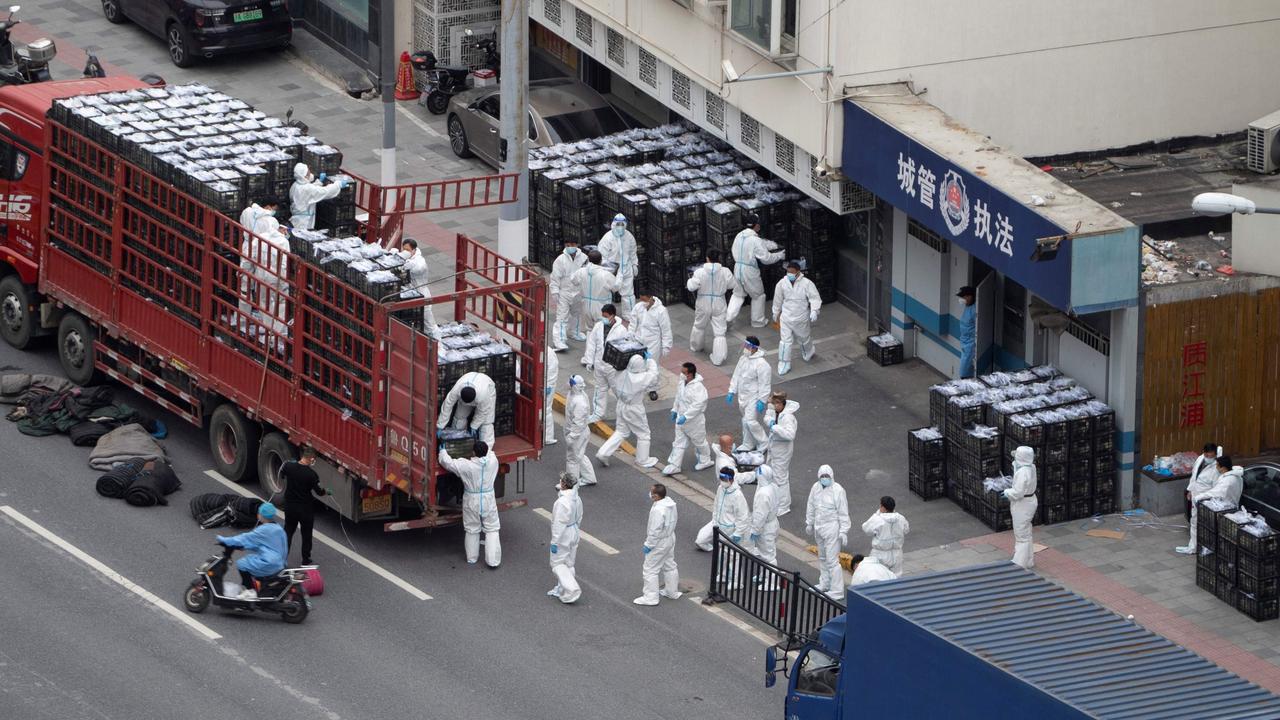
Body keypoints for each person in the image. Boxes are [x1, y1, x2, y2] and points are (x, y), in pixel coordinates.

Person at [439, 440, 501, 567]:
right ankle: (493, 561)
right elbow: (490, 452)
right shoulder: (493, 461)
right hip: (488, 498)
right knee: (492, 529)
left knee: (472, 529)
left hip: (472, 499)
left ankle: (472, 558)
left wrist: (442, 451)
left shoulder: (466, 466)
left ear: (473, 452)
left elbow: (448, 463)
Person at [596, 353, 660, 468]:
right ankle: (642, 460)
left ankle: (603, 453)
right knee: (643, 434)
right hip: (634, 408)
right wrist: (650, 360)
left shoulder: (622, 372)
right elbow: (654, 374)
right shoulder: (641, 378)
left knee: (621, 431)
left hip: (621, 405)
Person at [216, 502, 287, 600]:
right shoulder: (278, 529)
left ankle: (250, 591)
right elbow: (262, 543)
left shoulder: (263, 530)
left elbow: (245, 538)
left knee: (242, 564)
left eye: (259, 512)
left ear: (261, 515)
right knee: (250, 559)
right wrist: (246, 547)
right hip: (280, 563)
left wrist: (225, 540)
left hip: (269, 563)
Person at [725, 214, 784, 327]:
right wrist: (779, 255)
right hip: (750, 271)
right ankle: (757, 321)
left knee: (738, 294)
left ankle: (728, 318)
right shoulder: (755, 240)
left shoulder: (739, 235)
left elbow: (752, 246)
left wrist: (767, 245)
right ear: (756, 225)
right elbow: (766, 259)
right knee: (758, 295)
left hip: (737, 268)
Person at [806, 465, 850, 600]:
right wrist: (809, 522)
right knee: (823, 557)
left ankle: (837, 590)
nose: (824, 479)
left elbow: (843, 512)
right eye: (822, 476)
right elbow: (811, 505)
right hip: (819, 527)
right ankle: (825, 583)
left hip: (832, 528)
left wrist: (844, 531)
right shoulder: (816, 487)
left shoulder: (838, 490)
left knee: (832, 560)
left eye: (827, 476)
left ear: (832, 476)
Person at [771, 261, 822, 376]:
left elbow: (815, 298)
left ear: (798, 272)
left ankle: (808, 352)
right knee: (785, 342)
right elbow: (777, 299)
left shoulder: (807, 284)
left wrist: (814, 310)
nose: (789, 274)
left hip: (801, 318)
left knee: (804, 339)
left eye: (792, 272)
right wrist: (776, 313)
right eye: (788, 272)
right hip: (786, 318)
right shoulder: (782, 283)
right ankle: (784, 363)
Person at [662, 362, 714, 476]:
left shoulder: (698, 387)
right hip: (681, 419)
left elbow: (698, 405)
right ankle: (675, 465)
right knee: (678, 442)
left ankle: (705, 460)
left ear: (690, 374)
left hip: (694, 421)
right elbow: (678, 397)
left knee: (699, 442)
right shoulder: (682, 383)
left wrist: (686, 416)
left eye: (684, 372)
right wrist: (675, 410)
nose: (681, 374)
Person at [634, 483, 682, 606]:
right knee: (669, 564)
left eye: (652, 492)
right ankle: (672, 592)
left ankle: (650, 598)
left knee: (650, 569)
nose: (650, 493)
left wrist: (649, 545)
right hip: (670, 537)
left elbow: (654, 531)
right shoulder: (670, 504)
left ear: (656, 496)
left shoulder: (658, 510)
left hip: (659, 542)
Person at [687, 248, 735, 366]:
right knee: (719, 331)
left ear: (707, 258)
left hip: (703, 301)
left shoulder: (700, 272)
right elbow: (732, 285)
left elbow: (691, 287)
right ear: (718, 258)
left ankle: (696, 347)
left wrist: (690, 282)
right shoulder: (725, 271)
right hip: (719, 301)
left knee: (699, 325)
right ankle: (718, 358)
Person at [582, 303, 630, 423]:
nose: (603, 318)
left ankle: (626, 413)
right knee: (600, 389)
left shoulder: (621, 330)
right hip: (599, 364)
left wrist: (621, 366)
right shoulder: (598, 326)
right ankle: (598, 413)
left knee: (618, 390)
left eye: (605, 316)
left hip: (612, 367)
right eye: (602, 315)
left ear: (612, 315)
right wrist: (589, 360)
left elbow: (624, 349)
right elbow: (592, 343)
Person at [281, 446, 328, 566]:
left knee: (288, 531)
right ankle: (305, 560)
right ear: (311, 459)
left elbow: (281, 474)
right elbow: (319, 492)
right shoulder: (312, 475)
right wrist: (326, 491)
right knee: (306, 534)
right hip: (305, 509)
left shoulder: (289, 467)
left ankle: (282, 558)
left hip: (290, 506)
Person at [727, 337, 772, 451]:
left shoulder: (762, 364)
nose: (745, 348)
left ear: (754, 348)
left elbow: (765, 384)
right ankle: (748, 443)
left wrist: (762, 400)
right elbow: (736, 375)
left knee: (750, 421)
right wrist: (732, 390)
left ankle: (764, 442)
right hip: (743, 396)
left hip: (753, 397)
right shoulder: (743, 359)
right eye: (745, 345)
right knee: (745, 420)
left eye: (747, 346)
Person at [1177, 442, 1222, 554]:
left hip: (1207, 500)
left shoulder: (1217, 467)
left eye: (1211, 456)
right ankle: (1193, 547)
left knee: (1209, 524)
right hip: (1196, 496)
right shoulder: (1200, 459)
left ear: (1216, 455)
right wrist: (1190, 490)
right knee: (1194, 522)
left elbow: (1216, 488)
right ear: (1204, 452)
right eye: (1207, 455)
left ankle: (1210, 547)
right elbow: (1194, 476)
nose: (1208, 458)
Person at [696, 466, 752, 551]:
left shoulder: (737, 495)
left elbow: (743, 517)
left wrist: (738, 533)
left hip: (730, 530)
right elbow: (716, 505)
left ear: (732, 480)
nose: (722, 482)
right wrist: (715, 521)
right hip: (718, 525)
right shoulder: (720, 489)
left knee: (732, 556)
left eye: (725, 480)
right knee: (720, 554)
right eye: (721, 479)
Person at [570, 250, 619, 344]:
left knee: (590, 331)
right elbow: (615, 288)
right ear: (601, 261)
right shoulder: (606, 274)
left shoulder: (581, 271)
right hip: (601, 307)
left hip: (586, 305)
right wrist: (619, 276)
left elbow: (573, 280)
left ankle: (589, 354)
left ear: (588, 260)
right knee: (601, 331)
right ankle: (599, 356)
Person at [548, 472, 583, 604]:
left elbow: (558, 523)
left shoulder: (562, 502)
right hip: (574, 530)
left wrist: (555, 542)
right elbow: (580, 515)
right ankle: (562, 589)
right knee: (569, 562)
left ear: (563, 484)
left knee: (557, 564)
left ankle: (572, 589)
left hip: (564, 534)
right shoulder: (577, 498)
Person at [631, 290, 672, 400]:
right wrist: (630, 336)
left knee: (652, 365)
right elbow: (633, 323)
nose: (641, 302)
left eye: (644, 299)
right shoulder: (638, 307)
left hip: (653, 343)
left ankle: (652, 388)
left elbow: (666, 329)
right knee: (637, 364)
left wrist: (666, 346)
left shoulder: (661, 311)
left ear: (650, 297)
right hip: (638, 341)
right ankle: (638, 386)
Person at [437, 371, 497, 445]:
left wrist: (474, 426)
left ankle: (486, 450)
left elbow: (483, 411)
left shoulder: (483, 395)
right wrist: (440, 425)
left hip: (487, 387)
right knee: (459, 418)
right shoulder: (456, 390)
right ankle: (457, 442)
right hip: (469, 381)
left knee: (486, 423)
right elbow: (447, 405)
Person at [597, 214, 639, 321]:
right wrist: (605, 270)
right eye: (618, 224)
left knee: (629, 294)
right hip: (611, 270)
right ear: (613, 224)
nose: (620, 227)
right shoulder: (607, 238)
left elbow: (633, 252)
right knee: (606, 294)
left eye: (622, 224)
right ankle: (606, 315)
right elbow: (602, 256)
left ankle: (629, 315)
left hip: (626, 268)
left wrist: (634, 264)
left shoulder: (629, 237)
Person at [763, 391, 798, 516]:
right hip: (775, 449)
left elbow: (790, 435)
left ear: (782, 404)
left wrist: (774, 427)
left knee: (781, 478)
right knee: (774, 476)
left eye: (776, 403)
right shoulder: (777, 412)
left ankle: (783, 505)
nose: (774, 405)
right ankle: (777, 500)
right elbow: (768, 418)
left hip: (782, 451)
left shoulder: (787, 417)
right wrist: (770, 415)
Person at [550, 240, 588, 350]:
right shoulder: (560, 260)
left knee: (576, 314)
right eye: (567, 245)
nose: (569, 247)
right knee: (562, 316)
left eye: (572, 245)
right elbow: (555, 277)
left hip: (578, 291)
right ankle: (559, 340)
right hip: (564, 292)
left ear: (577, 245)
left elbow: (586, 274)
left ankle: (574, 332)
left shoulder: (584, 258)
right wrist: (555, 291)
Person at [1006, 445, 1039, 569]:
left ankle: (1019, 564)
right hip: (1029, 501)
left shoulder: (1022, 472)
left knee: (1021, 535)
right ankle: (1028, 560)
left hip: (1023, 504)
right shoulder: (1031, 467)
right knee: (1026, 532)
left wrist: (1007, 492)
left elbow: (1018, 493)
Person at [288, 162, 347, 231]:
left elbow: (311, 190)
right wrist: (338, 184)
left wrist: (319, 182)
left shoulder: (295, 185)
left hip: (296, 219)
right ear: (304, 176)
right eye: (308, 172)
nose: (310, 173)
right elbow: (325, 191)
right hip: (304, 222)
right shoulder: (307, 188)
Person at [749, 465, 782, 583]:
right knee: (766, 553)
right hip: (773, 522)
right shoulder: (772, 486)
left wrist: (755, 530)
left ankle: (772, 582)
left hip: (765, 527)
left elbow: (760, 515)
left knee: (768, 556)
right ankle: (765, 575)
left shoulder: (763, 493)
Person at [399, 238, 438, 336]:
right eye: (404, 249)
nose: (405, 252)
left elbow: (419, 269)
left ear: (414, 250)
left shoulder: (419, 261)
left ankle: (437, 344)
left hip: (422, 293)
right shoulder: (407, 258)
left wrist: (407, 266)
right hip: (410, 294)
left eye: (407, 250)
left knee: (429, 322)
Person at [563, 374, 597, 487]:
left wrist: (571, 437)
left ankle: (571, 484)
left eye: (571, 382)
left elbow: (578, 423)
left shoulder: (580, 402)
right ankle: (589, 478)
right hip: (578, 432)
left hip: (577, 434)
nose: (569, 384)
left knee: (572, 459)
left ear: (575, 386)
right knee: (579, 455)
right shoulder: (575, 394)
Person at [861, 495, 909, 575]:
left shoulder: (878, 519)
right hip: (896, 554)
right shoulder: (901, 518)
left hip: (880, 555)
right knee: (896, 577)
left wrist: (877, 514)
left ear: (883, 507)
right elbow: (906, 529)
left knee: (880, 577)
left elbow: (866, 528)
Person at [956, 286, 977, 378]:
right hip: (965, 343)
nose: (961, 299)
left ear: (969, 297)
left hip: (970, 344)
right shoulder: (968, 307)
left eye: (963, 297)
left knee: (964, 372)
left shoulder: (974, 310)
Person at [543, 344, 559, 446]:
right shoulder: (544, 352)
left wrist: (547, 386)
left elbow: (552, 372)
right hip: (544, 383)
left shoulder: (550, 354)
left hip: (548, 385)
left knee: (547, 409)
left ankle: (548, 437)